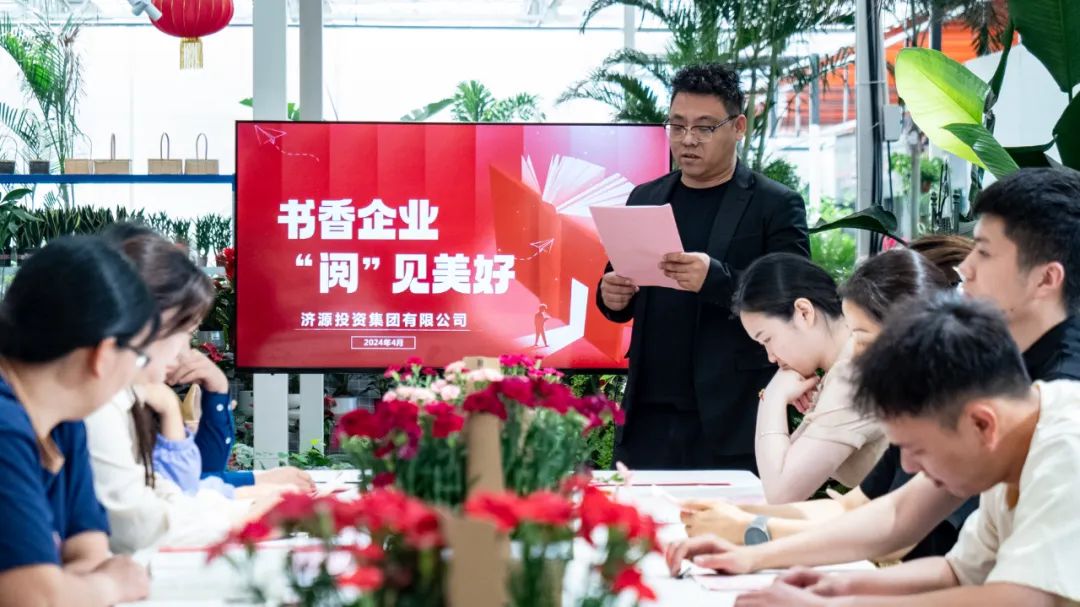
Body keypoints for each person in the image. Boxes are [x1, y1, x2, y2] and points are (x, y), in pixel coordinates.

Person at [665, 167, 1080, 575]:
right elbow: (889, 511)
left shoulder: (1061, 390)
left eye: (985, 252)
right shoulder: (998, 359)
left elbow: (903, 526)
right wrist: (750, 534)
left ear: (1046, 278)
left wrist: (753, 533)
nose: (965, 267)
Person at [735, 295, 1080, 606]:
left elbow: (1021, 598)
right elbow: (957, 571)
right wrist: (840, 586)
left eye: (918, 449)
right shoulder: (1011, 440)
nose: (909, 466)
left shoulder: (1067, 448)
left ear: (981, 424)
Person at [683, 246, 968, 560]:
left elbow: (893, 535)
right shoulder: (913, 408)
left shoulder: (856, 376)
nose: (855, 355)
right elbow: (851, 507)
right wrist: (737, 517)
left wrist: (749, 528)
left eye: (861, 338)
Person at [596, 63, 810, 470]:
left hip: (732, 417)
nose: (688, 139)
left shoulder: (775, 204)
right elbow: (619, 283)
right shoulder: (645, 197)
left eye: (705, 127)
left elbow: (796, 301)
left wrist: (716, 280)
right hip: (648, 419)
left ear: (739, 126)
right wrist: (611, 295)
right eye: (677, 126)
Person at [85, 225, 313, 553]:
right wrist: (244, 517)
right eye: (186, 332)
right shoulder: (101, 403)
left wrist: (217, 388)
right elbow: (139, 522)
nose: (185, 351)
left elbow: (164, 492)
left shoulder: (123, 395)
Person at [0, 235, 155, 606]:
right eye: (139, 356)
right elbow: (33, 598)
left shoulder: (65, 422)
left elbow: (89, 554)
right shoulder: (5, 427)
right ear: (104, 354)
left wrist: (65, 588)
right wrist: (111, 586)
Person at [729, 253, 886, 503]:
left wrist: (772, 398)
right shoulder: (847, 361)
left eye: (767, 339)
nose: (771, 357)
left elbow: (781, 493)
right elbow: (786, 465)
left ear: (803, 312)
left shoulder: (853, 373)